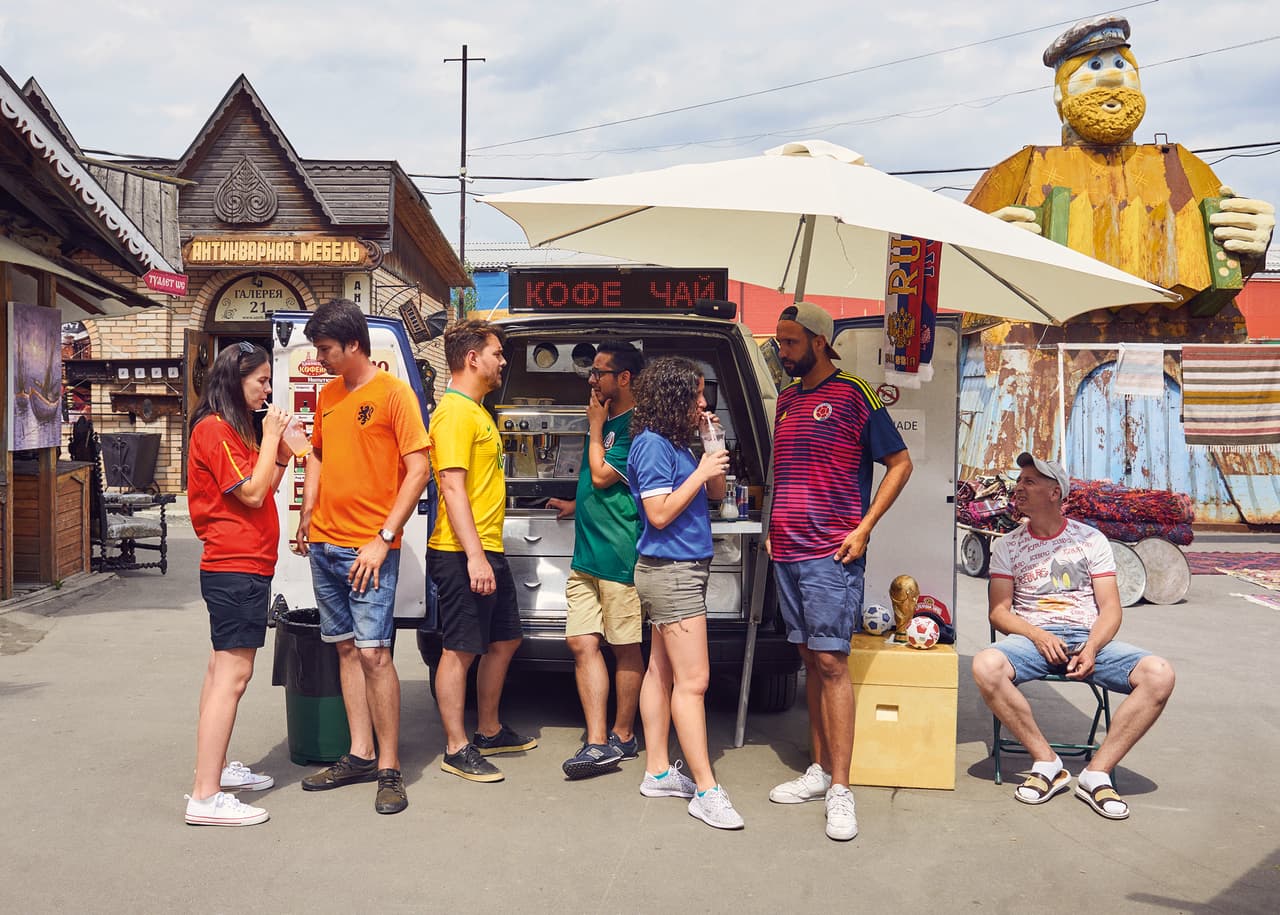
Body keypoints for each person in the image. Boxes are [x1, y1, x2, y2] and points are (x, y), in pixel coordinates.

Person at [767, 302, 912, 842]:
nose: (782, 353)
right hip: (786, 549)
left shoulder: (855, 394)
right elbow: (788, 473)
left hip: (832, 552)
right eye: (780, 343)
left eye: (790, 343)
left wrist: (864, 527)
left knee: (831, 661)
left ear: (820, 342)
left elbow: (900, 463)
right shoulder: (784, 400)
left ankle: (842, 790)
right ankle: (820, 769)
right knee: (808, 658)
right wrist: (771, 524)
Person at [972, 453, 1176, 821]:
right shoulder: (1007, 545)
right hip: (1034, 639)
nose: (1019, 487)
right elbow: (999, 612)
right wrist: (1036, 634)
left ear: (1055, 492)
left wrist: (1094, 646)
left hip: (1087, 636)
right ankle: (1047, 762)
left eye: (1030, 481)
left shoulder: (1090, 540)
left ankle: (1097, 774)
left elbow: (1111, 609)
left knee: (1159, 674)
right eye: (1020, 481)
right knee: (985, 665)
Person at [295, 299, 431, 816]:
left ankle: (390, 768)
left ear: (354, 345)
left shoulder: (395, 394)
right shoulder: (329, 394)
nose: (321, 358)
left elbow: (418, 470)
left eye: (326, 349)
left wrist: (384, 537)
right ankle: (360, 753)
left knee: (376, 653)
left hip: (368, 549)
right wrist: (307, 512)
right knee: (346, 649)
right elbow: (320, 453)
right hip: (326, 544)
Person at [627, 356, 743, 830]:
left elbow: (716, 493)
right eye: (695, 395)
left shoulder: (674, 442)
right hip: (671, 571)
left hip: (677, 569)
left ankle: (657, 770)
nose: (703, 402)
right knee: (693, 682)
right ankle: (706, 790)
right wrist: (698, 472)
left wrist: (709, 444)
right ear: (673, 396)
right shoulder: (652, 445)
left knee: (660, 670)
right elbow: (657, 514)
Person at [184, 341, 292, 826]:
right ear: (236, 379)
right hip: (235, 565)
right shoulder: (214, 429)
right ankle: (205, 797)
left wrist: (282, 453)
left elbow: (264, 483)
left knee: (219, 673)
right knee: (233, 677)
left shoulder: (233, 430)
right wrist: (270, 436)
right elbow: (250, 494)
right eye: (262, 381)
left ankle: (216, 773)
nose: (268, 390)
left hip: (243, 564)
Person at [429, 319, 537, 783]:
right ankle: (456, 746)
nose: (502, 361)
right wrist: (474, 557)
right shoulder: (454, 413)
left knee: (505, 638)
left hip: (484, 547)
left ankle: (489, 729)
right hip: (459, 551)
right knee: (459, 649)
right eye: (496, 353)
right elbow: (452, 487)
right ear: (473, 358)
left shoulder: (476, 411)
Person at [548, 341, 646, 779]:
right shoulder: (609, 419)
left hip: (621, 555)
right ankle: (596, 740)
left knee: (625, 647)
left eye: (600, 373)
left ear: (623, 378)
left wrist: (594, 427)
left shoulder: (636, 426)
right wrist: (577, 503)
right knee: (581, 642)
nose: (592, 379)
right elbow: (596, 482)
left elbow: (605, 475)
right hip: (586, 553)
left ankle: (622, 735)